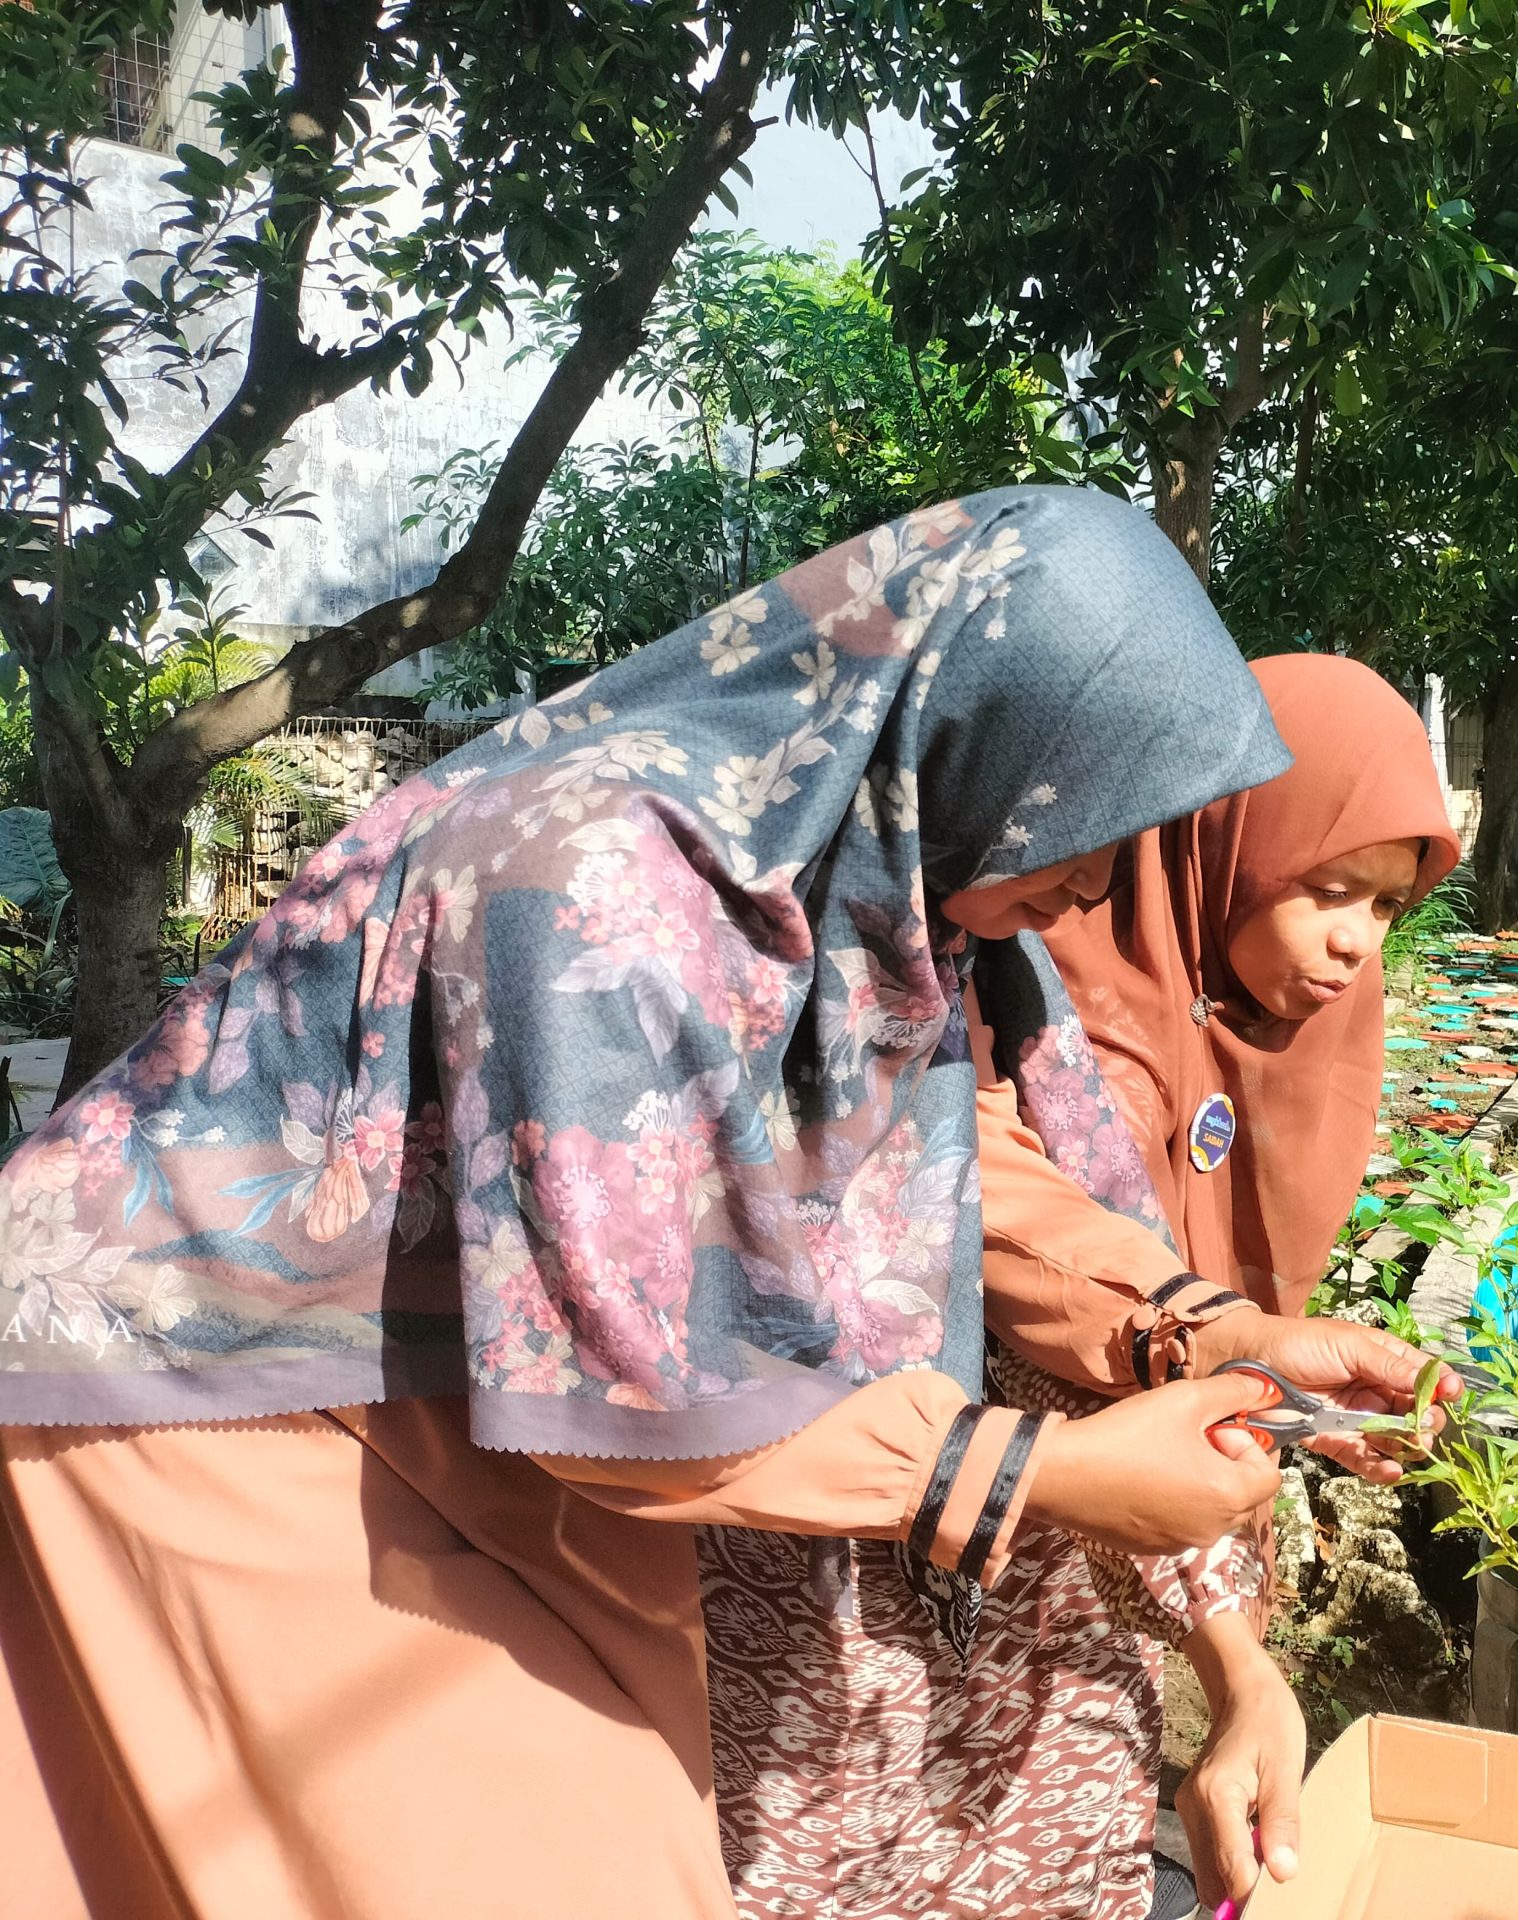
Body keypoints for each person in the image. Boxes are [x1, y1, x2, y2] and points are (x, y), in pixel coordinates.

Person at [0, 487, 1315, 1920]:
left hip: (434, 1384)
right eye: (1085, 818)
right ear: (974, 729)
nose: (1102, 884)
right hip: (201, 1387)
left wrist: (1206, 1327)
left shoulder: (877, 898)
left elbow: (945, 1175)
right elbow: (632, 1377)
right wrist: (1033, 1477)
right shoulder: (588, 880)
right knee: (506, 1860)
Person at [703, 654, 1461, 1919]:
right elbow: (988, 1237)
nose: (1355, 944)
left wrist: (1244, 1374)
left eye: (1390, 905)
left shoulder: (1088, 983)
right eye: (1328, 888)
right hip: (850, 1576)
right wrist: (1229, 1641)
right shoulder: (1004, 991)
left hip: (1089, 1569)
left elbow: (1135, 1321)